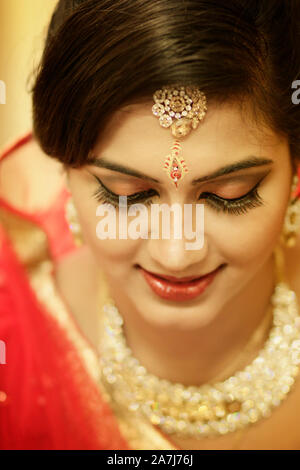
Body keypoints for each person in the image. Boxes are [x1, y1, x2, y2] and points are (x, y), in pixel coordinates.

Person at [1, 0, 300, 450]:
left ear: (296, 169)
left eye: (228, 195)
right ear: (62, 168)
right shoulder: (14, 325)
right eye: (125, 195)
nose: (176, 252)